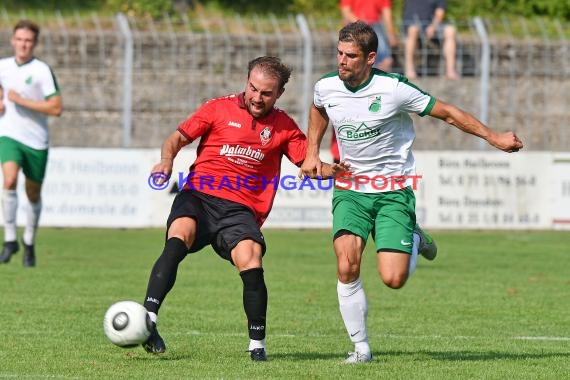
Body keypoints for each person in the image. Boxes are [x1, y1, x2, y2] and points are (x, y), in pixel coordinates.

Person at [300, 21, 523, 363]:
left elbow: (447, 112)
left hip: (392, 191)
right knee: (346, 265)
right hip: (351, 188)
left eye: (351, 56)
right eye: (340, 53)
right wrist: (312, 151)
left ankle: (415, 238)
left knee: (393, 278)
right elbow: (318, 109)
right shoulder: (327, 86)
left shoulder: (394, 89)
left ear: (371, 58)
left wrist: (493, 137)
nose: (342, 61)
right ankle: (361, 349)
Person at [141, 56, 344, 361]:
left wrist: (337, 171)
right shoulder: (217, 108)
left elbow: (310, 164)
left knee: (251, 258)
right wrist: (167, 161)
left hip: (240, 210)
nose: (257, 97)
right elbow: (176, 138)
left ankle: (257, 346)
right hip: (199, 195)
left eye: (266, 93)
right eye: (253, 88)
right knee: (178, 237)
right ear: (247, 82)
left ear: (278, 95)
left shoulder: (284, 127)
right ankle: (148, 321)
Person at [0, 20, 63, 267]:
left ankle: (28, 242)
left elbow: (56, 108)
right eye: (20, 39)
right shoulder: (3, 66)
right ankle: (9, 240)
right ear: (13, 40)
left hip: (36, 141)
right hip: (8, 135)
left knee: (32, 193)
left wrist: (21, 101)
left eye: (28, 40)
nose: (23, 44)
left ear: (34, 43)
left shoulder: (41, 71)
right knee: (9, 180)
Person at [402, 0, 458, 80]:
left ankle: (450, 70)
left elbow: (440, 12)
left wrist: (433, 26)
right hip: (411, 25)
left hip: (431, 25)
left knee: (450, 30)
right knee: (413, 30)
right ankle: (409, 69)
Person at [340, 0, 397, 72]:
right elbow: (346, 12)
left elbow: (386, 13)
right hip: (354, 26)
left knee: (386, 59)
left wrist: (391, 34)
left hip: (375, 26)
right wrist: (362, 25)